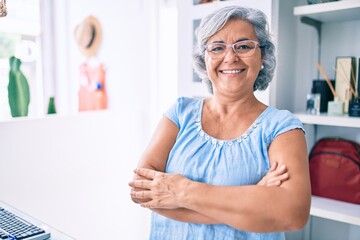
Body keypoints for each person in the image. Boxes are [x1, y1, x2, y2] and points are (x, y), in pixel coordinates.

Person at [129, 5, 311, 240]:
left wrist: (181, 191)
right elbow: (142, 190)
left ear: (263, 55)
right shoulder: (179, 113)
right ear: (204, 60)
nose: (230, 57)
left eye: (244, 46)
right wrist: (254, 197)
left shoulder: (282, 127)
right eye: (217, 48)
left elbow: (292, 213)